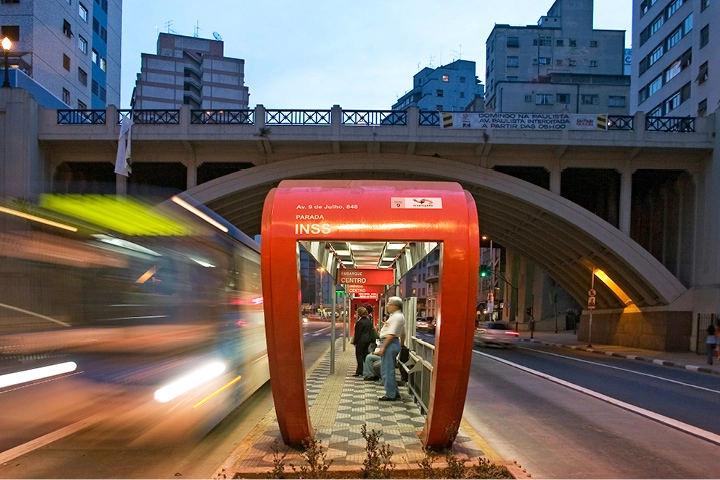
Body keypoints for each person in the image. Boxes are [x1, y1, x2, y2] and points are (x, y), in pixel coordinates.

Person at [376, 296, 405, 401]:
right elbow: (403, 333)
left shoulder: (396, 317)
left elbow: (391, 334)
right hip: (393, 343)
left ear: (395, 306)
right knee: (389, 369)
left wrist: (383, 347)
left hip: (389, 344)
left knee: (387, 370)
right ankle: (394, 392)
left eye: (389, 304)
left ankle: (390, 394)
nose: (387, 306)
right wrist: (401, 345)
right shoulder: (398, 316)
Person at [352, 307, 374, 377]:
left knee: (359, 355)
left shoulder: (360, 322)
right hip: (368, 340)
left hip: (361, 341)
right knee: (365, 355)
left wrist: (355, 342)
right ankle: (368, 370)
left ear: (359, 313)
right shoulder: (368, 321)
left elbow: (357, 334)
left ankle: (359, 371)